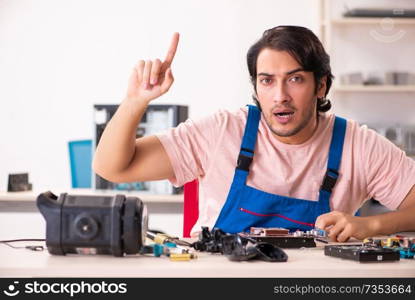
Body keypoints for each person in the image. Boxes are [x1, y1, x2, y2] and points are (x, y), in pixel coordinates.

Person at [93, 26, 415, 242]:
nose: (280, 96)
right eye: (267, 81)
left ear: (321, 85)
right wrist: (136, 101)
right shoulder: (222, 131)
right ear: (256, 88)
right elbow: (112, 168)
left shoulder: (357, 145)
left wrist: (371, 225)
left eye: (295, 79)